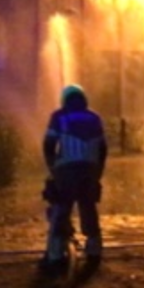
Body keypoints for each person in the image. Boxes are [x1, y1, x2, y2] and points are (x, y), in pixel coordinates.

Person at [40, 84, 108, 274]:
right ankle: (94, 249)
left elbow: (48, 146)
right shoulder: (94, 118)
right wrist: (97, 173)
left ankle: (55, 254)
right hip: (89, 170)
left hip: (66, 170)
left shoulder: (59, 117)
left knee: (61, 209)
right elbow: (103, 149)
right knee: (88, 209)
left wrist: (53, 170)